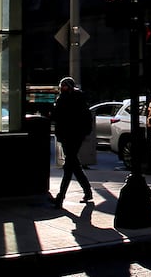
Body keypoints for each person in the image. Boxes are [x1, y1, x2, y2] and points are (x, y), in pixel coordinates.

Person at [50, 76, 93, 205]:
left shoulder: (73, 99)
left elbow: (57, 116)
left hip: (72, 136)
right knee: (74, 165)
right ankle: (87, 191)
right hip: (68, 136)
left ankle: (60, 197)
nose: (62, 88)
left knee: (69, 166)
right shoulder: (69, 99)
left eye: (65, 86)